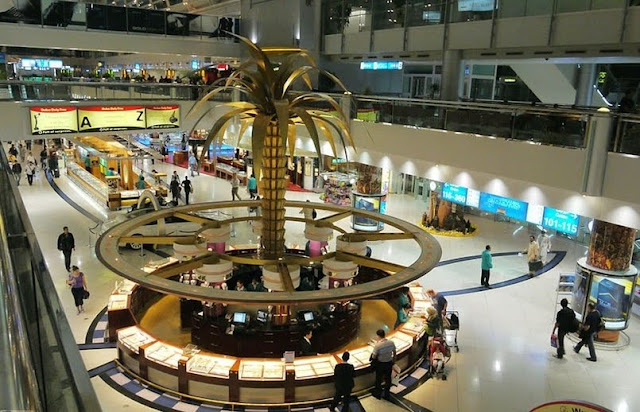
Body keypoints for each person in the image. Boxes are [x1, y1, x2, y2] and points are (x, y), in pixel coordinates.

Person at [370, 329, 396, 400]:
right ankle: (387, 394)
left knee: (378, 379)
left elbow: (374, 356)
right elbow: (394, 352)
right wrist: (393, 361)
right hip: (389, 363)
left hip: (380, 364)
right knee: (388, 379)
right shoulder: (391, 342)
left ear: (378, 336)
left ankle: (378, 394)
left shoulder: (378, 345)